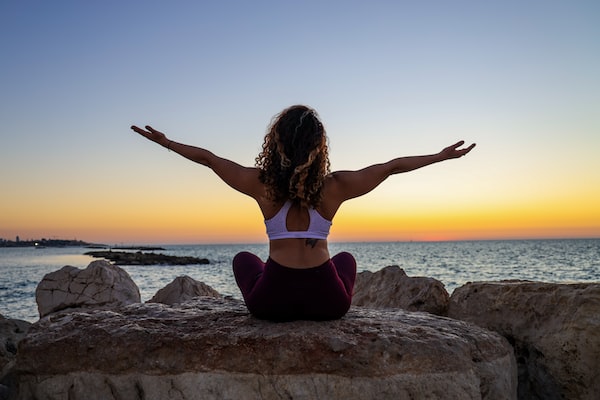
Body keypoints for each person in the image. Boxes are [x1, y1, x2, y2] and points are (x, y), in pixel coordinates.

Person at [131, 105, 475, 321]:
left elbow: (209, 158)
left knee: (243, 259)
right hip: (328, 303)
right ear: (319, 147)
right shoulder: (335, 186)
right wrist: (439, 156)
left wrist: (167, 142)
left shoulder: (261, 184)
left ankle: (272, 275)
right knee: (347, 261)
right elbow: (392, 167)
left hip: (271, 304)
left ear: (275, 143)